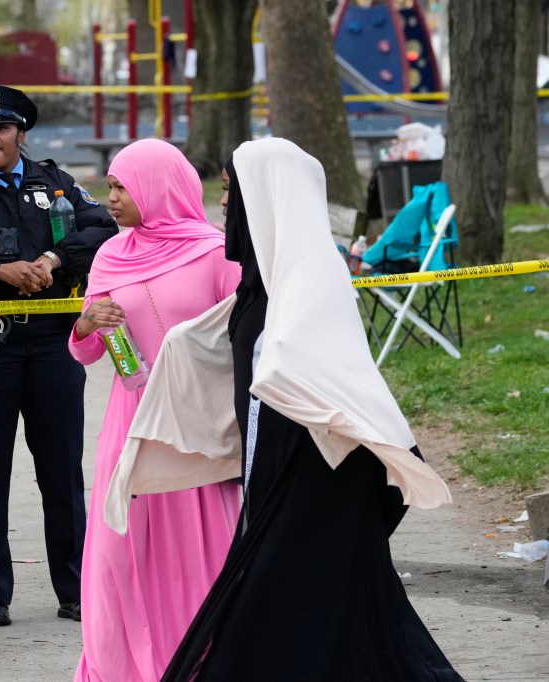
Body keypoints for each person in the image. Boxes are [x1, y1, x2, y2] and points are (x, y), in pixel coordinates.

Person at [104, 137, 462, 681]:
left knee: (273, 595)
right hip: (273, 466)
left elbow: (326, 373)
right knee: (329, 600)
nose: (222, 204)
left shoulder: (309, 281)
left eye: (231, 190)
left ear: (265, 197)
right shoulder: (261, 280)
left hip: (317, 469)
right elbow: (228, 340)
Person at [0, 83, 117, 628]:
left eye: (1, 128)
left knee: (61, 471)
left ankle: (74, 590)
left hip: (55, 345)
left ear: (20, 133)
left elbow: (103, 228)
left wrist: (54, 259)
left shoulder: (54, 185)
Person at [68, 139, 243, 682]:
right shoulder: (109, 254)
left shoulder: (215, 251)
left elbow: (241, 338)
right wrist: (85, 322)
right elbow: (85, 351)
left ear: (156, 187)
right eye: (111, 185)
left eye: (122, 186)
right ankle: (122, 667)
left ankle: (205, 658)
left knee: (200, 551)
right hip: (130, 422)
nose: (110, 197)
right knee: (121, 555)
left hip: (194, 422)